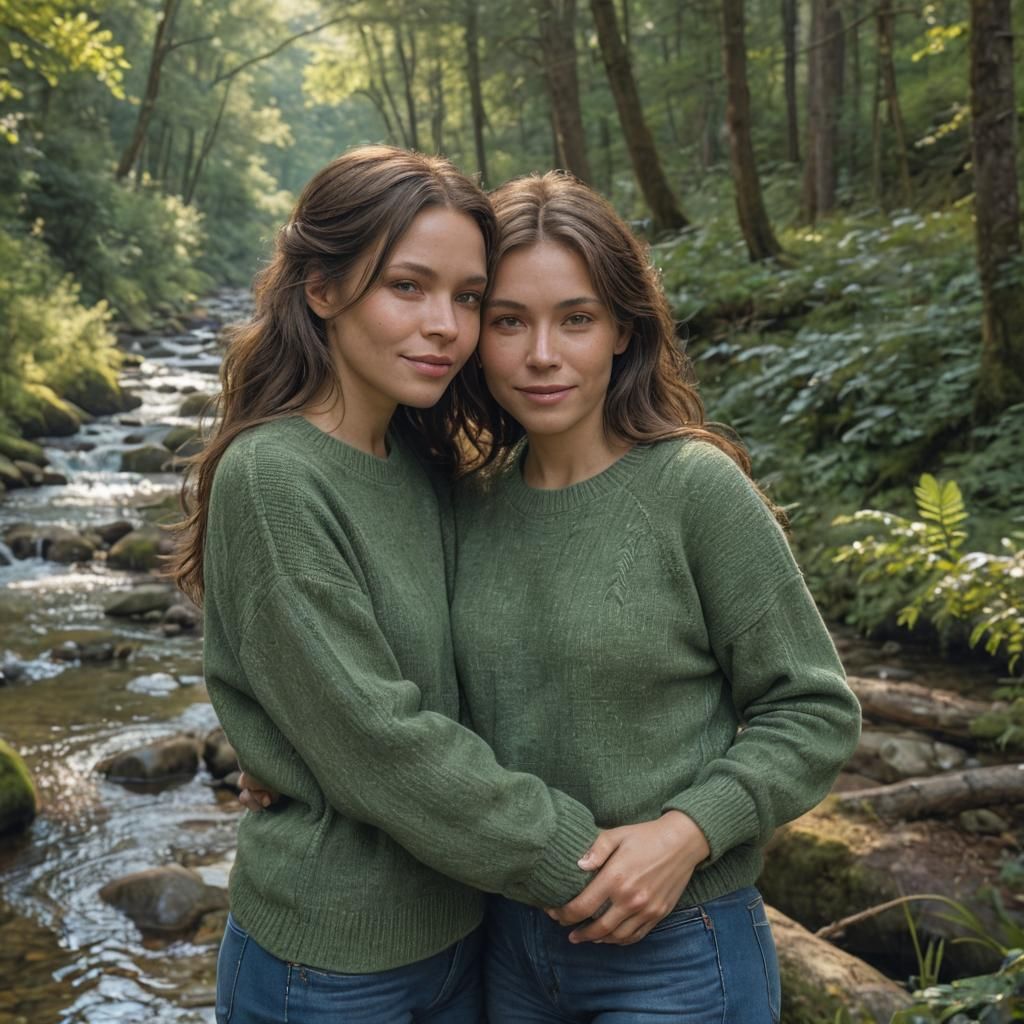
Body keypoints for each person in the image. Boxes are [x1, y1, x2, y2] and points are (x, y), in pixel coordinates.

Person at [171, 147, 633, 1024]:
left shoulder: (426, 463)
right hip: (333, 964)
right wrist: (589, 862)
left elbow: (463, 683)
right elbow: (379, 738)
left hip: (463, 934)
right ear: (322, 288)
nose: (446, 328)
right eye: (408, 287)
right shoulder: (274, 475)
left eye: (467, 297)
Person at [445, 171, 863, 1022]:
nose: (542, 355)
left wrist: (690, 831)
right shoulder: (466, 500)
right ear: (474, 338)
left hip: (680, 950)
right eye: (508, 321)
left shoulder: (694, 490)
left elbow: (814, 709)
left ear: (625, 332)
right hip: (505, 947)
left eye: (577, 319)